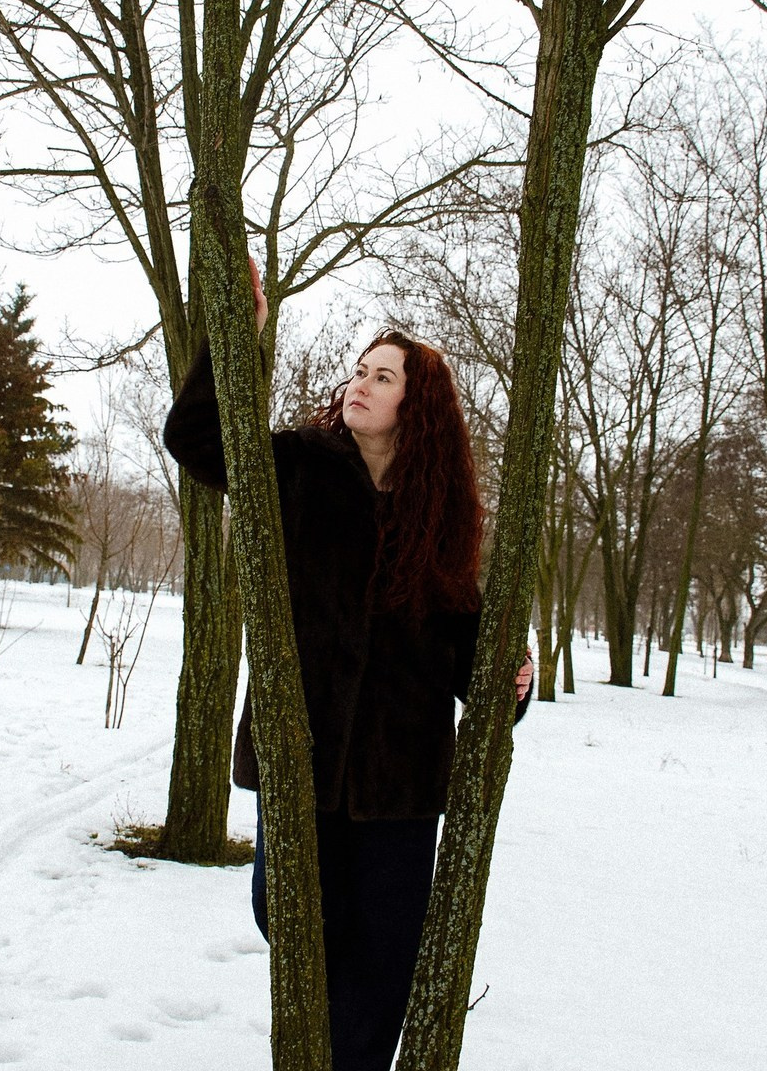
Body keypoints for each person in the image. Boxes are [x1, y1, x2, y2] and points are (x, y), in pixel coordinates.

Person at [163, 261, 534, 1071]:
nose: (359, 383)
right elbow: (193, 441)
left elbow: (470, 662)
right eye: (359, 370)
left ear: (417, 405)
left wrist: (515, 684)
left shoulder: (439, 522)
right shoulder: (297, 466)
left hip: (399, 788)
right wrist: (243, 336)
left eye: (382, 375)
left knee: (386, 962)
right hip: (302, 760)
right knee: (285, 913)